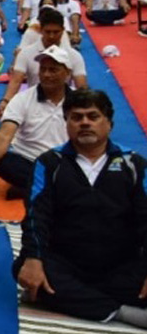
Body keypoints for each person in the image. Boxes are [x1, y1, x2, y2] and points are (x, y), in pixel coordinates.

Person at [13, 90, 147, 328]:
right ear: (67, 123)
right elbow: (36, 216)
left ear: (109, 123)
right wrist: (34, 259)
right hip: (67, 262)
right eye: (76, 117)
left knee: (50, 289)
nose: (84, 123)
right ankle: (120, 313)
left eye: (93, 116)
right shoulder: (49, 163)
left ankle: (65, 299)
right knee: (23, 267)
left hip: (120, 264)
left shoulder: (133, 164)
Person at [0, 45, 72, 199]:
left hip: (63, 162)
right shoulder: (23, 99)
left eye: (53, 70)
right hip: (28, 160)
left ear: (67, 73)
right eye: (43, 69)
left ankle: (34, 188)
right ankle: (49, 188)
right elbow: (5, 134)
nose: (46, 75)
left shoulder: (78, 101)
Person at [0, 9, 87, 115]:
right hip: (33, 105)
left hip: (64, 107)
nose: (51, 36)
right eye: (48, 32)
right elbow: (15, 81)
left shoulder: (74, 56)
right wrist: (5, 102)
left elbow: (81, 87)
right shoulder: (26, 53)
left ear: (63, 30)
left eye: (56, 32)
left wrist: (85, 107)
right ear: (40, 30)